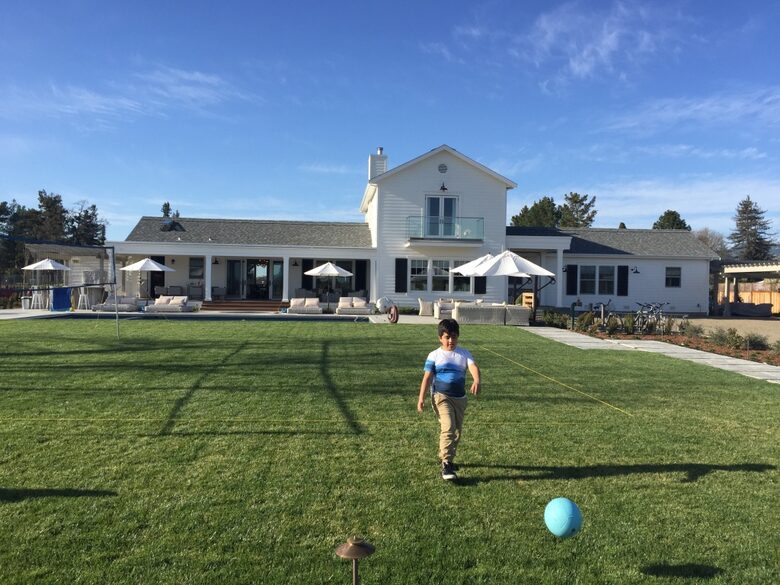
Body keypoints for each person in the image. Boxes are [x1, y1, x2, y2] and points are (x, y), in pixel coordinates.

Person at [417, 318, 481, 480]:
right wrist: (421, 398)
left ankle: (448, 458)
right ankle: (446, 464)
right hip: (440, 396)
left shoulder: (464, 353)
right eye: (447, 337)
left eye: (454, 337)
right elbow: (427, 378)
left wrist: (477, 380)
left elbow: (473, 367)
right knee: (449, 426)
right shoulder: (434, 355)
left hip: (460, 398)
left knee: (457, 432)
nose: (450, 341)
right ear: (440, 338)